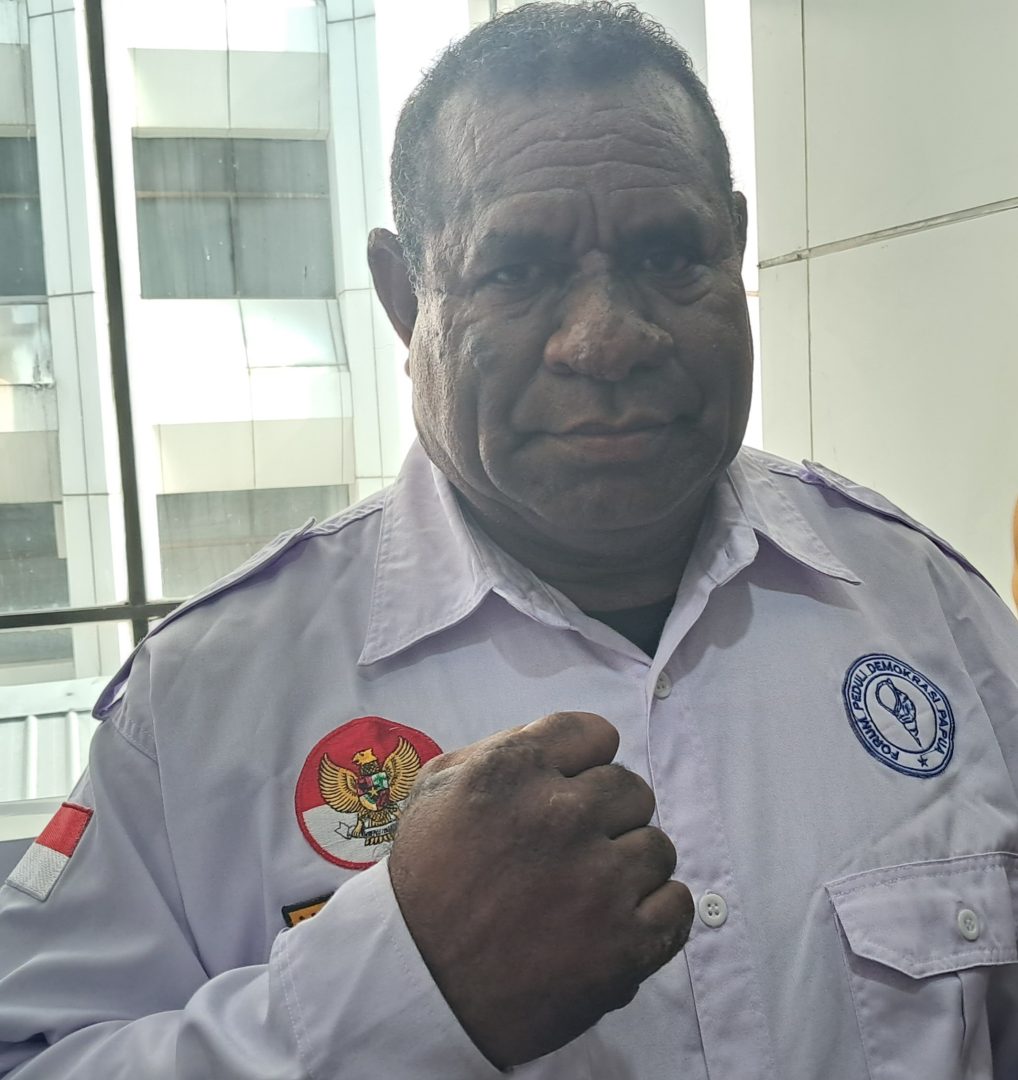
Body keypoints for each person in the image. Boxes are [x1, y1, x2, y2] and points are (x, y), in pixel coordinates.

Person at [2, 3, 1017, 1077]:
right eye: (517, 270)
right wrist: (401, 989)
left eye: (670, 253)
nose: (607, 338)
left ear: (734, 245)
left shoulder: (924, 605)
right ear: (405, 299)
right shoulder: (211, 702)